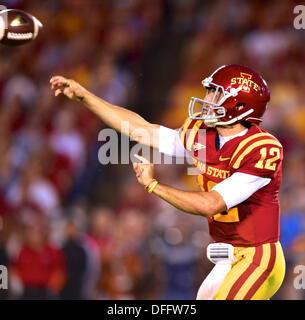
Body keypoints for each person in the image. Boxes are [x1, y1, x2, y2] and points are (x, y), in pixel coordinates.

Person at [50, 64, 286, 300]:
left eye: (215, 93)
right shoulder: (202, 133)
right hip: (227, 256)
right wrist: (87, 98)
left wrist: (155, 186)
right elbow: (142, 130)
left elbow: (211, 204)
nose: (207, 99)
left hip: (258, 258)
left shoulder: (262, 149)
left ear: (239, 105)